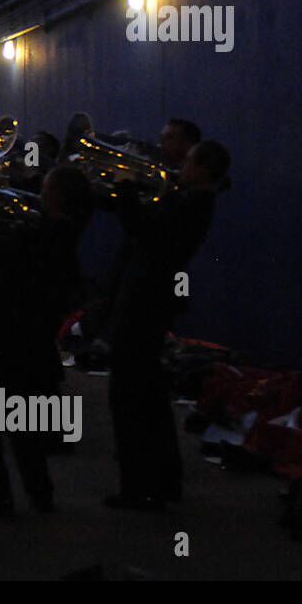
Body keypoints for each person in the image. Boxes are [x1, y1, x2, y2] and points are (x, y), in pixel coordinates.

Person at [0, 166, 93, 516]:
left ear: (55, 195)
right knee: (23, 418)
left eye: (46, 188)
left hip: (1, 329)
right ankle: (39, 491)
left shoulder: (41, 232)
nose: (40, 194)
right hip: (31, 336)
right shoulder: (62, 231)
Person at [105, 139, 230, 510]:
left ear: (203, 169)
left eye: (189, 160)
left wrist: (125, 188)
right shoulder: (189, 199)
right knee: (146, 394)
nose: (181, 165)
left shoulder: (193, 203)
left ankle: (141, 486)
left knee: (131, 395)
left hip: (146, 303)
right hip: (149, 301)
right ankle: (158, 482)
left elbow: (144, 230)